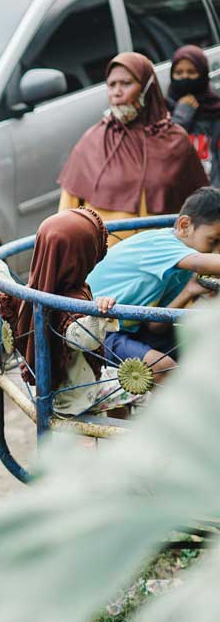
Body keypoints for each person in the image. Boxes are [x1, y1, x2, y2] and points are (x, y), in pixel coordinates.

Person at [0, 207, 135, 416]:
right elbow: (83, 339)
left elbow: (5, 294)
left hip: (49, 387)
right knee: (141, 390)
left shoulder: (33, 292)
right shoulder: (70, 301)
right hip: (76, 396)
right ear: (82, 257)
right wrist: (99, 315)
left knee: (117, 381)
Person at [58, 52, 206, 245]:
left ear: (147, 87)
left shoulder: (175, 140)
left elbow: (200, 211)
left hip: (161, 256)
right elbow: (65, 218)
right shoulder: (92, 142)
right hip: (105, 257)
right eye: (112, 85)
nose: (117, 92)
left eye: (126, 84)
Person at [87, 186, 220, 383]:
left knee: (203, 342)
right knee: (162, 368)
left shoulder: (183, 268)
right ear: (184, 225)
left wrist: (188, 291)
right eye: (213, 241)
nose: (216, 251)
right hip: (94, 330)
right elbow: (204, 262)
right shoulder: (162, 245)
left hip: (131, 328)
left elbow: (155, 326)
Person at [166, 45, 220, 187]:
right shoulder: (163, 111)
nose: (185, 77)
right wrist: (181, 115)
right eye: (179, 73)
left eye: (191, 72)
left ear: (203, 74)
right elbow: (166, 148)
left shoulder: (215, 111)